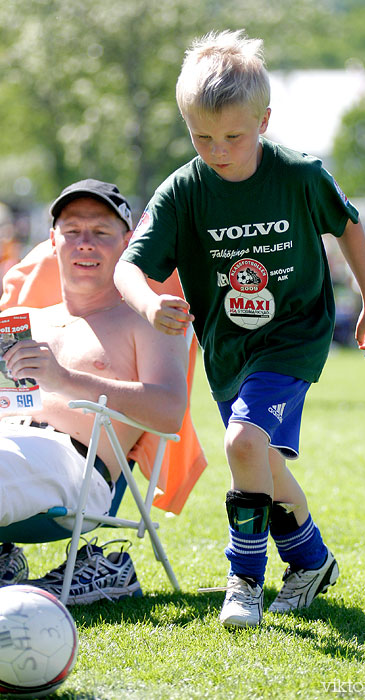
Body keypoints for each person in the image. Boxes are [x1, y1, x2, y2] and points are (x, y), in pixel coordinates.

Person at [114, 30, 365, 628]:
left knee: (242, 444)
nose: (218, 150)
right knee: (261, 462)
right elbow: (128, 267)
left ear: (264, 120)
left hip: (293, 334)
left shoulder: (298, 175)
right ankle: (311, 560)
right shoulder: (183, 192)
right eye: (202, 136)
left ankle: (243, 577)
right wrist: (146, 305)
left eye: (233, 136)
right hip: (227, 349)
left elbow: (349, 226)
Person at [0, 179, 189, 604]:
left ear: (127, 243)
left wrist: (65, 380)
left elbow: (170, 412)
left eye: (101, 233)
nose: (85, 243)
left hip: (74, 468)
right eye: (72, 232)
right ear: (53, 241)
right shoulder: (19, 319)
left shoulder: (148, 320)